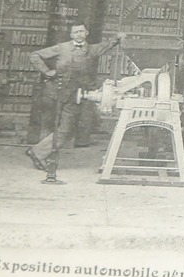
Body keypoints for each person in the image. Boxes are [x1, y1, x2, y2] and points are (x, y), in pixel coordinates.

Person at [26, 23, 123, 181]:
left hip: (75, 94)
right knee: (54, 125)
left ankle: (38, 152)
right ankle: (40, 154)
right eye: (75, 32)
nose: (78, 34)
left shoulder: (91, 49)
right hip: (56, 92)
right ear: (71, 35)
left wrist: (117, 39)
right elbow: (35, 55)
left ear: (87, 33)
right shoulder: (61, 47)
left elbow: (106, 46)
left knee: (67, 128)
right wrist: (47, 72)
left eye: (81, 31)